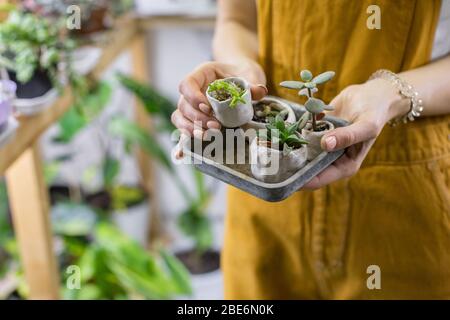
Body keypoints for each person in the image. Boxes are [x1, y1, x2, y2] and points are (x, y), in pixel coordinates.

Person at [171, 0, 450, 299]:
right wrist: (239, 70)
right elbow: (237, 20)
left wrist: (394, 93)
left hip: (401, 203)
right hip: (267, 188)